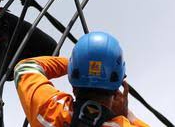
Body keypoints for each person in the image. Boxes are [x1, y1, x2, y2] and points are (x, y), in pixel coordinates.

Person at [14, 31, 149, 127]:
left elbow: (26, 68)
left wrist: (76, 64)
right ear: (118, 87)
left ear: (74, 85)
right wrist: (128, 116)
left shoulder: (50, 110)